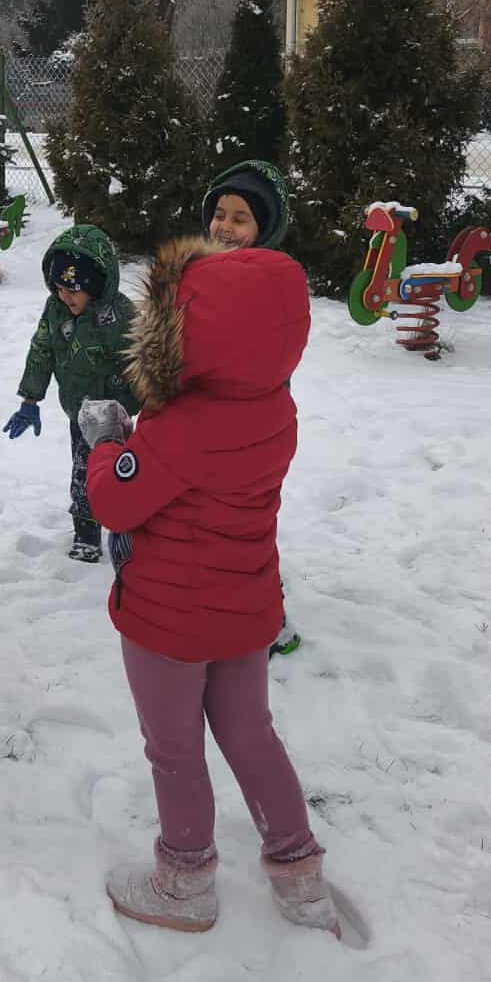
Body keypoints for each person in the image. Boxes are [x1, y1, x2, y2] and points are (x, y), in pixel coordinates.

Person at [82, 237, 339, 939]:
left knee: (174, 748)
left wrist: (108, 444)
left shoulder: (184, 425)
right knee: (251, 732)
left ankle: (185, 879)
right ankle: (298, 870)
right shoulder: (274, 408)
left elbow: (116, 504)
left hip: (170, 620)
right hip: (245, 609)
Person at [201, 160, 299, 656]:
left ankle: (271, 621)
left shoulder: (270, 285)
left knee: (247, 530)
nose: (225, 227)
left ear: (266, 227)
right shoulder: (201, 274)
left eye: (241, 218)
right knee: (213, 529)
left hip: (253, 432)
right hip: (208, 429)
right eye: (220, 214)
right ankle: (220, 612)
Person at [3, 225, 136, 562]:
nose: (65, 296)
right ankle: (86, 535)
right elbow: (42, 350)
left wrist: (149, 401)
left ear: (95, 285)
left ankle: (128, 528)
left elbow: (143, 360)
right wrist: (30, 400)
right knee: (83, 473)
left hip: (117, 414)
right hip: (80, 412)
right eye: (59, 288)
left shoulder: (120, 315)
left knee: (123, 473)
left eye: (73, 290)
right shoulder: (56, 310)